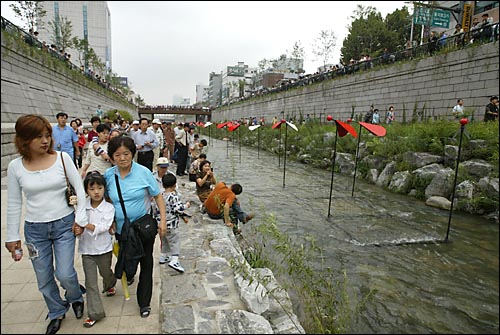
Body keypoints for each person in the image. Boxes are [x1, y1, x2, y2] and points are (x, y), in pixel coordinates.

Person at [5, 114, 88, 334]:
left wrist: (80, 218)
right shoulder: (15, 167)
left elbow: (80, 189)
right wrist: (11, 235)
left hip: (64, 225)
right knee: (43, 277)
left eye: (47, 135)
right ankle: (56, 311)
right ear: (24, 140)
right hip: (34, 230)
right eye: (38, 137)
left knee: (65, 273)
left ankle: (75, 296)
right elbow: (14, 202)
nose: (45, 141)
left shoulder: (62, 158)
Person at [103, 136, 166, 318]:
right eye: (117, 155)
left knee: (146, 264)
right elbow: (105, 199)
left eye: (126, 154)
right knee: (128, 262)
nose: (122, 158)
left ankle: (144, 303)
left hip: (143, 227)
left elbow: (158, 197)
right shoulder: (109, 176)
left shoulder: (144, 172)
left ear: (133, 154)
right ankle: (129, 274)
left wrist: (162, 221)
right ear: (112, 157)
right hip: (122, 230)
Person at [75, 172, 116, 328]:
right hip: (87, 250)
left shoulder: (109, 207)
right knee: (91, 283)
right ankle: (95, 313)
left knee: (106, 272)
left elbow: (104, 227)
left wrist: (85, 225)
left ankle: (110, 282)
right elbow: (76, 225)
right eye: (92, 189)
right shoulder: (81, 207)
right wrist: (77, 230)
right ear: (86, 190)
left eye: (100, 188)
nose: (96, 192)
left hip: (104, 248)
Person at [161, 173, 191, 273]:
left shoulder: (161, 195)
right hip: (171, 224)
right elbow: (179, 209)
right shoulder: (173, 197)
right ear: (175, 185)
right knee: (175, 241)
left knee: (164, 240)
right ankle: (175, 260)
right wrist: (186, 205)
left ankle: (163, 256)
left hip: (161, 224)